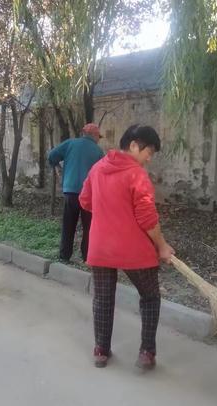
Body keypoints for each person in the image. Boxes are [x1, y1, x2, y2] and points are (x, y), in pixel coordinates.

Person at [79, 125, 175, 370]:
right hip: (133, 250)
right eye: (148, 152)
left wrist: (108, 213)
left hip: (101, 247)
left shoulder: (98, 168)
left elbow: (85, 201)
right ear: (133, 145)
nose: (149, 158)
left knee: (102, 299)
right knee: (151, 297)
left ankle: (101, 350)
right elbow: (147, 218)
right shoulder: (136, 174)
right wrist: (162, 247)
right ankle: (146, 353)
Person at [48, 123, 104, 262]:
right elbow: (102, 174)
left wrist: (59, 168)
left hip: (70, 191)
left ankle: (64, 256)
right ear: (95, 135)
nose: (99, 139)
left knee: (68, 224)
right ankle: (87, 257)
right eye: (99, 137)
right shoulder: (98, 151)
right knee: (88, 227)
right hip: (89, 195)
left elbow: (52, 156)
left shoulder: (70, 144)